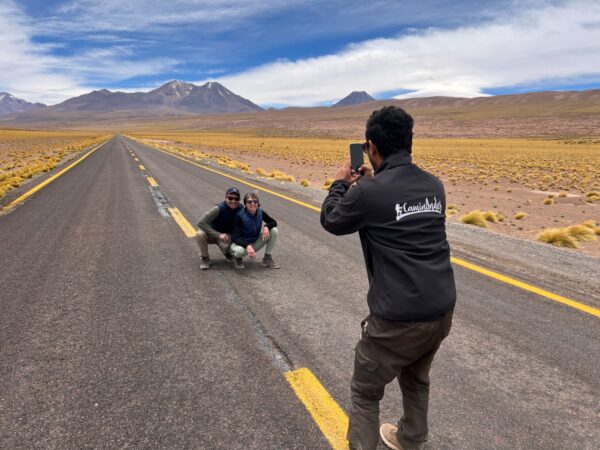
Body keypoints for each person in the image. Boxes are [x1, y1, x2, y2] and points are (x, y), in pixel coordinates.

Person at [320, 106, 456, 450]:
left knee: (365, 393)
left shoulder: (369, 192)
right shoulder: (434, 185)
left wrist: (341, 182)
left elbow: (332, 220)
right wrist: (370, 183)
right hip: (440, 311)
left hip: (396, 318)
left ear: (371, 147)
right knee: (416, 378)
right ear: (409, 142)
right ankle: (411, 438)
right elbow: (395, 210)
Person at [230, 192, 280, 269]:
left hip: (254, 242)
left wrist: (266, 226)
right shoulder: (239, 216)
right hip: (241, 244)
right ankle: (237, 258)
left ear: (258, 203)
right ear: (245, 204)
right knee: (239, 252)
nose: (252, 203)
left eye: (255, 201)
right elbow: (235, 237)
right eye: (249, 202)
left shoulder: (260, 212)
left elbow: (274, 222)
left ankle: (267, 258)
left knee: (274, 230)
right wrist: (247, 246)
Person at [196, 187, 242, 270]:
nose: (233, 201)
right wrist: (218, 235)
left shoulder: (241, 209)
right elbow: (200, 223)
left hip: (226, 236)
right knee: (200, 234)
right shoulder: (218, 209)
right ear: (225, 198)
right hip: (211, 234)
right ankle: (205, 258)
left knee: (229, 244)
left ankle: (226, 252)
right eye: (230, 198)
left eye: (236, 199)